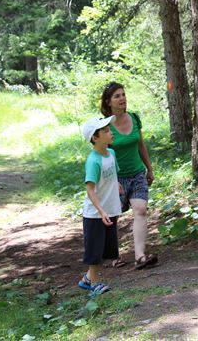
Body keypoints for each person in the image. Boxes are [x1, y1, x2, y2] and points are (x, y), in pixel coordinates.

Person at [100, 82, 158, 270]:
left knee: (140, 209)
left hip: (137, 174)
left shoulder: (134, 118)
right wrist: (112, 181)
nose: (122, 98)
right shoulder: (105, 125)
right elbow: (103, 154)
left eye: (123, 94)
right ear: (108, 102)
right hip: (116, 177)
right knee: (113, 215)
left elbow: (141, 145)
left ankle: (140, 256)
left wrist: (149, 168)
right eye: (117, 96)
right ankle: (113, 255)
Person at [78, 116, 121, 297]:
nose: (110, 133)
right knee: (95, 251)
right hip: (96, 213)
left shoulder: (111, 153)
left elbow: (112, 175)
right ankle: (93, 284)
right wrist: (101, 210)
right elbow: (90, 189)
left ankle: (88, 279)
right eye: (105, 131)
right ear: (95, 138)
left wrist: (117, 186)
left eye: (110, 130)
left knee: (105, 249)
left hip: (110, 209)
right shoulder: (94, 161)